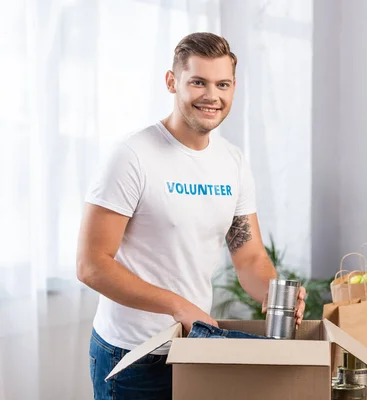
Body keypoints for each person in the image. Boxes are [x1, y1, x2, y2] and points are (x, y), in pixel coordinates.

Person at [76, 32, 306, 399]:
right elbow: (91, 265)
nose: (211, 96)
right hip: (132, 355)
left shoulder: (232, 162)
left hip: (193, 350)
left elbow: (248, 255)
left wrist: (274, 295)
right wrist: (177, 305)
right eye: (198, 82)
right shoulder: (132, 156)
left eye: (222, 84)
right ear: (172, 82)